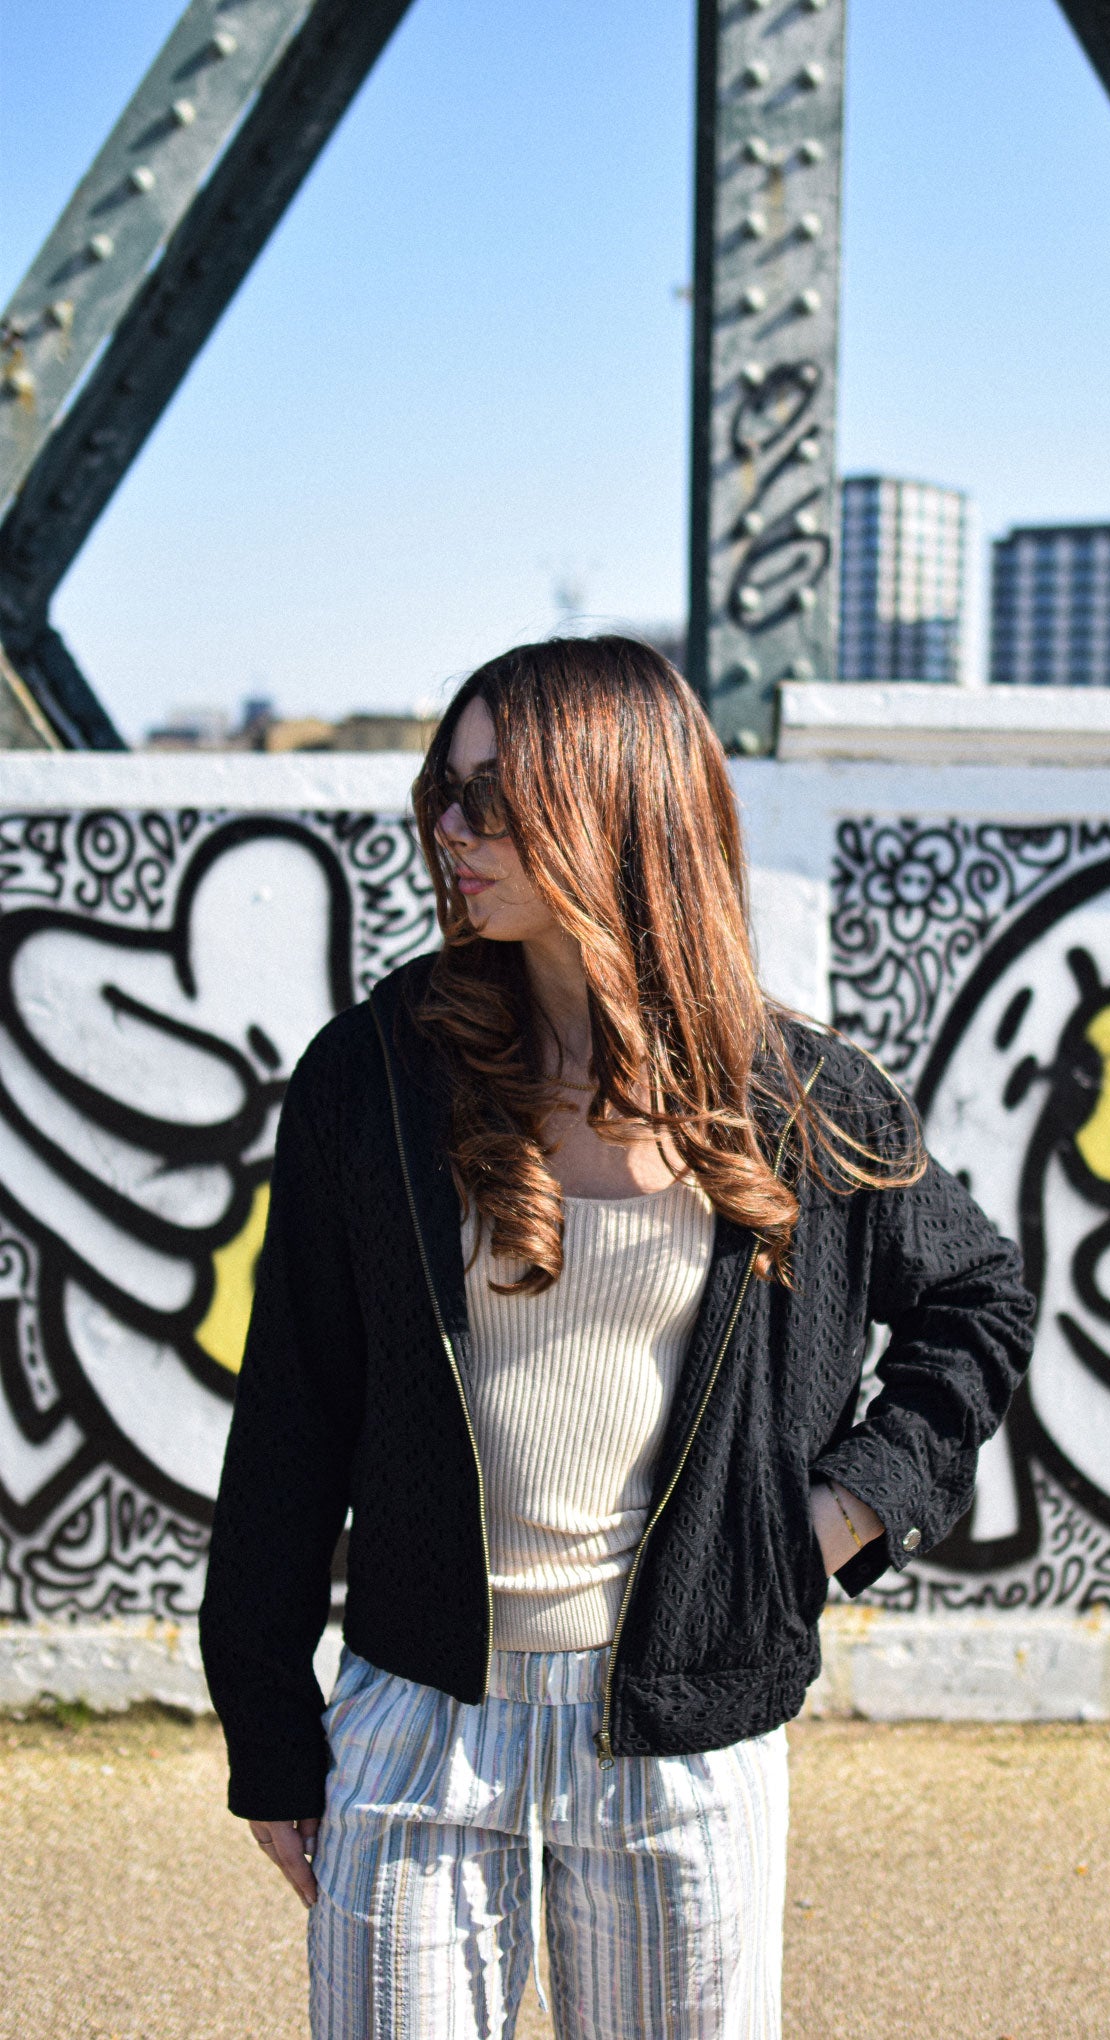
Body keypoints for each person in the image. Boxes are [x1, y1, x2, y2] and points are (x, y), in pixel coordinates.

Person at [200, 635, 1034, 2039]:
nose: (450, 834)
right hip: (418, 1710)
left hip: (684, 1729)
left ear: (614, 808)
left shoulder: (801, 1101)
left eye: (494, 799)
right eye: (442, 793)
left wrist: (836, 1513)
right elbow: (293, 1412)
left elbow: (978, 1299)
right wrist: (269, 1722)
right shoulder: (378, 1075)